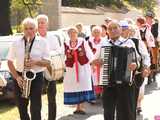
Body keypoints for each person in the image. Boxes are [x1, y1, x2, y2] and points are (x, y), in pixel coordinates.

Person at [7, 18, 50, 120]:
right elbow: (9, 62)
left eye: (31, 28)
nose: (28, 31)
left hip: (36, 76)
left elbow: (48, 62)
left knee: (35, 107)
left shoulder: (43, 42)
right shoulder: (16, 43)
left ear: (35, 30)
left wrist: (35, 62)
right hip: (20, 76)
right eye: (26, 28)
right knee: (21, 107)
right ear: (23, 30)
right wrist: (17, 77)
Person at [100, 21, 138, 120]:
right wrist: (96, 61)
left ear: (120, 29)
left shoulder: (128, 42)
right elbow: (96, 60)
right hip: (108, 82)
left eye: (115, 28)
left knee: (124, 111)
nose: (113, 30)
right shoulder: (104, 43)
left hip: (124, 82)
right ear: (107, 31)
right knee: (108, 111)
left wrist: (135, 65)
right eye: (110, 29)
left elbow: (136, 59)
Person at [119, 20, 151, 115]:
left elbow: (145, 56)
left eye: (125, 30)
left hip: (134, 75)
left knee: (132, 101)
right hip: (119, 76)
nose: (123, 31)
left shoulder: (137, 42)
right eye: (121, 29)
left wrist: (145, 67)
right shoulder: (115, 42)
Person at [63, 27, 95, 114]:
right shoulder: (65, 43)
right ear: (68, 34)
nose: (72, 34)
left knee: (82, 84)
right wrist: (63, 65)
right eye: (70, 33)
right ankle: (77, 107)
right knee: (74, 86)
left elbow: (88, 52)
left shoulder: (82, 42)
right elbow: (63, 55)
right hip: (71, 69)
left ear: (77, 33)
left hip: (82, 67)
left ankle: (81, 107)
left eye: (74, 33)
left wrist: (92, 63)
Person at [36, 14, 60, 120]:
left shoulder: (52, 38)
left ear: (47, 24)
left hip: (51, 71)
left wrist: (47, 56)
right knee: (36, 99)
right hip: (37, 72)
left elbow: (58, 52)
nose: (40, 24)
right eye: (39, 22)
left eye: (42, 22)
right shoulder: (32, 37)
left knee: (51, 99)